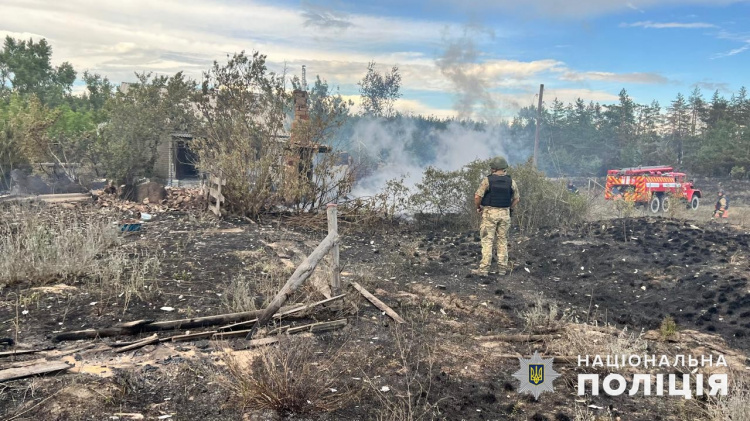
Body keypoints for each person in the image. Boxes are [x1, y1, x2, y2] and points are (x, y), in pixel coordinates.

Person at [472, 157, 520, 277]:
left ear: (494, 168)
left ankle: (484, 270)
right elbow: (516, 198)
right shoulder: (511, 181)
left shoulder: (487, 180)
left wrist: (479, 207)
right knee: (502, 241)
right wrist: (509, 208)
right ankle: (502, 269)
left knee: (487, 241)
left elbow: (477, 196)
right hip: (505, 214)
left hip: (490, 213)